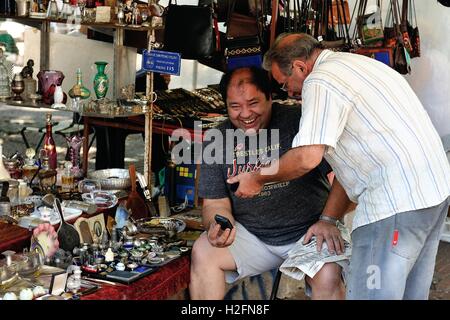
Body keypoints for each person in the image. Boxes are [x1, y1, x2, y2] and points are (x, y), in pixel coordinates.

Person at [227, 33, 450, 300]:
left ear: (300, 67)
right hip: (432, 195)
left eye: (285, 83)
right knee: (410, 294)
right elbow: (357, 159)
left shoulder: (321, 80)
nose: (288, 92)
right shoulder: (360, 65)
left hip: (394, 204)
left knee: (372, 293)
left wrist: (258, 177)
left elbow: (307, 157)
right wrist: (328, 219)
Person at [190, 66, 349, 300]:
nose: (245, 114)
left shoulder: (299, 122)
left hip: (309, 232)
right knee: (203, 251)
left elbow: (345, 179)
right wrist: (218, 226)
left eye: (253, 103)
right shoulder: (217, 139)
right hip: (252, 236)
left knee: (328, 274)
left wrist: (329, 219)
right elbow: (214, 203)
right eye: (235, 107)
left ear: (270, 98)